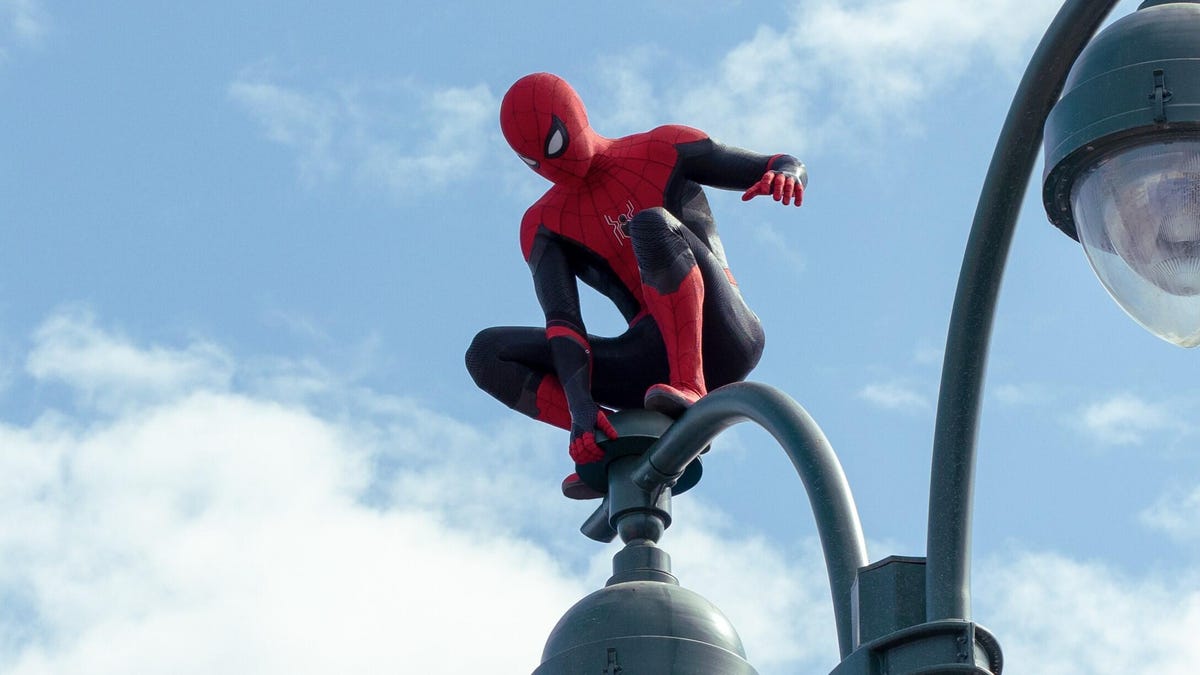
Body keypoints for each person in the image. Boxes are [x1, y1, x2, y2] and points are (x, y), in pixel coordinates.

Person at [466, 72, 806, 497]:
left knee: (651, 224)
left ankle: (691, 385)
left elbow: (776, 162)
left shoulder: (662, 148)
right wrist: (581, 410)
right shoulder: (543, 225)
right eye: (536, 163)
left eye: (555, 146)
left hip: (724, 332)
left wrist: (788, 174)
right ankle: (615, 439)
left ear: (574, 119)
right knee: (486, 353)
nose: (553, 167)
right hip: (646, 358)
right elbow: (564, 323)